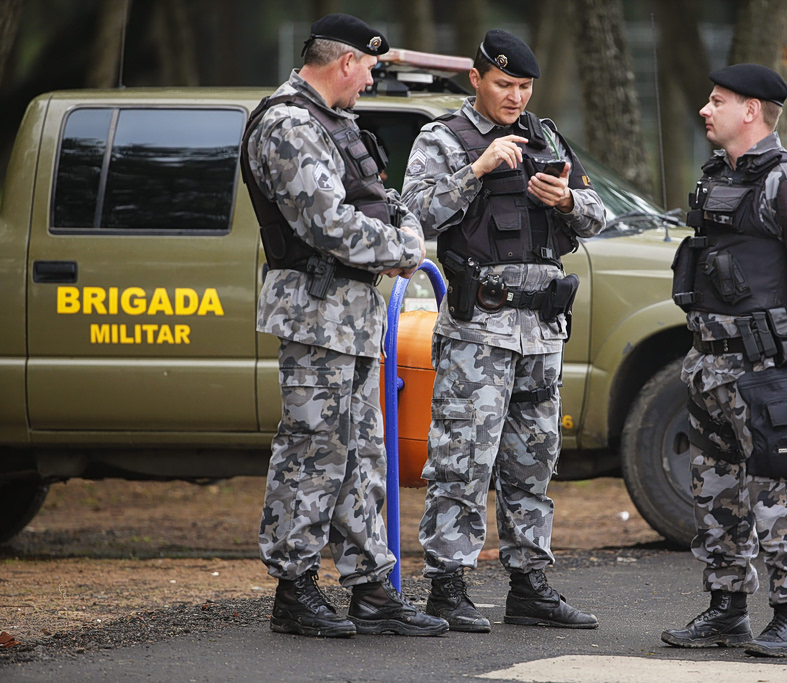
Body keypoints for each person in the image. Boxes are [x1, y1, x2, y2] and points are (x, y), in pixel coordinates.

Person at [240, 13, 448, 638]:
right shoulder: (287, 124)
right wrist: (404, 249)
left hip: (351, 315)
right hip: (314, 312)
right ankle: (294, 587)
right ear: (345, 62)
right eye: (369, 69)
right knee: (312, 451)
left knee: (360, 453)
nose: (370, 81)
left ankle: (369, 588)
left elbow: (390, 203)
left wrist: (402, 233)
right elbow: (329, 226)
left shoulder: (334, 122)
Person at [401, 29, 605, 633]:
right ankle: (446, 584)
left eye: (523, 86)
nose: (515, 97)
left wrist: (566, 200)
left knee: (533, 463)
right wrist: (476, 169)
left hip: (541, 332)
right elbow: (413, 213)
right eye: (504, 84)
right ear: (477, 79)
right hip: (478, 331)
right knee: (462, 460)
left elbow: (595, 215)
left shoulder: (545, 135)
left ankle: (529, 584)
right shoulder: (444, 138)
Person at [662, 64, 787, 657]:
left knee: (779, 486)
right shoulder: (718, 175)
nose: (704, 110)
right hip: (709, 365)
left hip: (761, 367)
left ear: (752, 111)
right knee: (715, 491)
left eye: (717, 101)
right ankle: (726, 609)